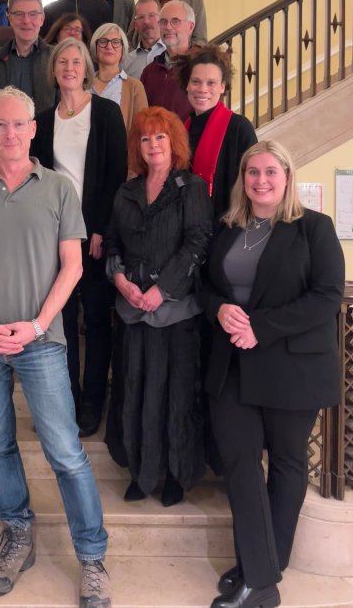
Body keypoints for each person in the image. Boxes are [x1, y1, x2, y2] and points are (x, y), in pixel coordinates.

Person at [0, 86, 111, 607]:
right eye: (0, 125)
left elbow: (74, 266)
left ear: (33, 129)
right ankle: (18, 532)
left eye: (19, 124)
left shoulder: (60, 188)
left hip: (41, 342)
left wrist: (37, 325)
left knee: (65, 451)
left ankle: (91, 556)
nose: (10, 133)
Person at [201, 140, 344, 608]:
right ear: (243, 179)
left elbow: (326, 297)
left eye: (270, 172)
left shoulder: (314, 228)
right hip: (233, 367)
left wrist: (258, 327)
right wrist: (220, 309)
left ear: (287, 177)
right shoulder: (227, 229)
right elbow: (205, 288)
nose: (261, 181)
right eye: (252, 172)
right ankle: (260, 573)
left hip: (291, 366)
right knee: (241, 464)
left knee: (286, 465)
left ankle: (262, 572)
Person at [104, 107, 212, 505]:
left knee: (175, 394)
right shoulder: (126, 191)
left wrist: (162, 289)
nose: (152, 145)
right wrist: (120, 280)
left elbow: (198, 242)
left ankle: (174, 476)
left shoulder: (192, 187)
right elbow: (113, 241)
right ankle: (141, 472)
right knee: (134, 390)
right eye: (145, 138)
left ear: (174, 143)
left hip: (176, 312)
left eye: (160, 137)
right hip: (131, 310)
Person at [32, 39, 127, 436]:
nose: (69, 67)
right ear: (53, 70)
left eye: (76, 61)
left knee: (98, 321)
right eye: (62, 62)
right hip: (54, 236)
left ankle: (92, 402)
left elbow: (116, 174)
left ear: (86, 69)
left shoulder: (105, 112)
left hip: (94, 235)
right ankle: (65, 398)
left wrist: (100, 227)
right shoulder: (43, 119)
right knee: (61, 321)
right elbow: (36, 178)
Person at [179, 45, 257, 218]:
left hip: (227, 228)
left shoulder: (239, 128)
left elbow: (252, 185)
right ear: (187, 85)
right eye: (196, 81)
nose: (202, 89)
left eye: (211, 83)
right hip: (188, 229)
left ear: (223, 87)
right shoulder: (182, 129)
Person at [0, 0, 54, 115]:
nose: (26, 21)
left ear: (42, 18)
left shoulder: (56, 58)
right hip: (2, 133)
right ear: (9, 18)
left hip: (46, 133)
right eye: (19, 14)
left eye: (33, 14)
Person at [140, 0, 196, 120]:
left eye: (175, 21)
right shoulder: (149, 71)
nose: (168, 27)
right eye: (163, 22)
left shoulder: (201, 67)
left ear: (190, 27)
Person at [89, 22, 148, 134]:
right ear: (95, 47)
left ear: (123, 49)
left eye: (115, 42)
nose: (109, 46)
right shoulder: (83, 85)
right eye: (103, 41)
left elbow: (142, 130)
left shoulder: (135, 87)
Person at [122, 0, 165, 79]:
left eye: (151, 15)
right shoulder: (126, 62)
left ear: (161, 19)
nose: (146, 21)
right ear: (135, 25)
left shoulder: (173, 57)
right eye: (141, 17)